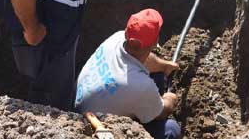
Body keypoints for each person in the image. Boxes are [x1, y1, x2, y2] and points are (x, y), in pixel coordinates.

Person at [75, 9, 181, 139]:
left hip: (77, 107)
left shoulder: (117, 38)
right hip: (96, 128)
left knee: (157, 76)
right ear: (154, 44)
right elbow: (162, 112)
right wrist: (170, 99)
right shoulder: (141, 85)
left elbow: (145, 59)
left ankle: (144, 106)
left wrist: (165, 65)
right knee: (171, 129)